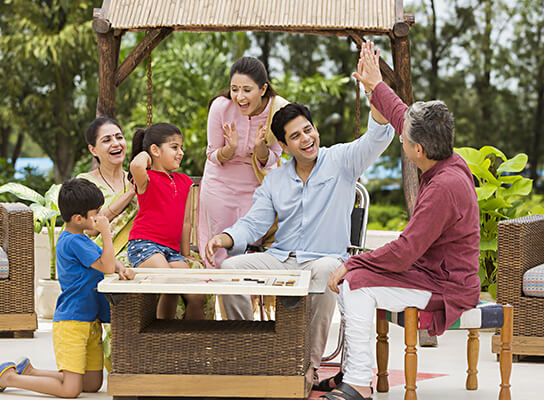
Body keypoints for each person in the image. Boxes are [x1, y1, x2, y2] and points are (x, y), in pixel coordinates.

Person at [322, 41, 480, 400]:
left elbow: (406, 251)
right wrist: (375, 85)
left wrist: (354, 262)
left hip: (446, 286)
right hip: (432, 273)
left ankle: (357, 382)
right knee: (353, 278)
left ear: (417, 150)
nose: (400, 138)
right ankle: (353, 371)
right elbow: (401, 115)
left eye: (403, 139)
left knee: (354, 283)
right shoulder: (443, 156)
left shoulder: (444, 187)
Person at [205, 91, 394, 380]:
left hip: (324, 259)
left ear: (316, 129)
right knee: (230, 268)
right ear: (283, 145)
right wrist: (224, 238)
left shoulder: (342, 160)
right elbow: (253, 224)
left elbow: (376, 139)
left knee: (327, 269)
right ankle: (249, 353)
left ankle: (309, 365)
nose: (306, 139)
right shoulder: (275, 181)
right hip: (281, 259)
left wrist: (374, 92)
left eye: (308, 130)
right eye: (295, 136)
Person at [0, 178, 135, 397]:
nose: (101, 217)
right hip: (73, 323)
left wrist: (121, 268)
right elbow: (106, 265)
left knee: (91, 384)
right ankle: (9, 378)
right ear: (78, 218)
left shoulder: (81, 238)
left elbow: (106, 260)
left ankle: (31, 372)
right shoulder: (73, 242)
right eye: (96, 213)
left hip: (90, 321)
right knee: (70, 391)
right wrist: (106, 233)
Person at [198, 56, 288, 269]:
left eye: (247, 90)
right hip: (219, 184)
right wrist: (229, 149)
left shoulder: (277, 110)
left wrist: (260, 148)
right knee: (219, 245)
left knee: (250, 244)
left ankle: (249, 290)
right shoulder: (220, 107)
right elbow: (212, 154)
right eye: (234, 89)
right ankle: (217, 289)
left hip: (256, 186)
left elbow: (275, 156)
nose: (240, 97)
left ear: (263, 89)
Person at [128, 122, 205, 320]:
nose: (181, 153)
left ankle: (188, 337)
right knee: (170, 284)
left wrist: (185, 254)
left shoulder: (185, 181)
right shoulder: (146, 178)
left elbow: (186, 222)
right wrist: (146, 154)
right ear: (155, 150)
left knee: (197, 297)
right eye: (174, 147)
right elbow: (136, 165)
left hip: (171, 250)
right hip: (144, 245)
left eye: (181, 147)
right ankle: (164, 335)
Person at [78, 117, 138, 266]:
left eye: (119, 137)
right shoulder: (85, 182)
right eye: (107, 140)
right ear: (93, 150)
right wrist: (130, 193)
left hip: (142, 251)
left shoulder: (139, 179)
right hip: (102, 258)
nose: (116, 143)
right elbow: (90, 228)